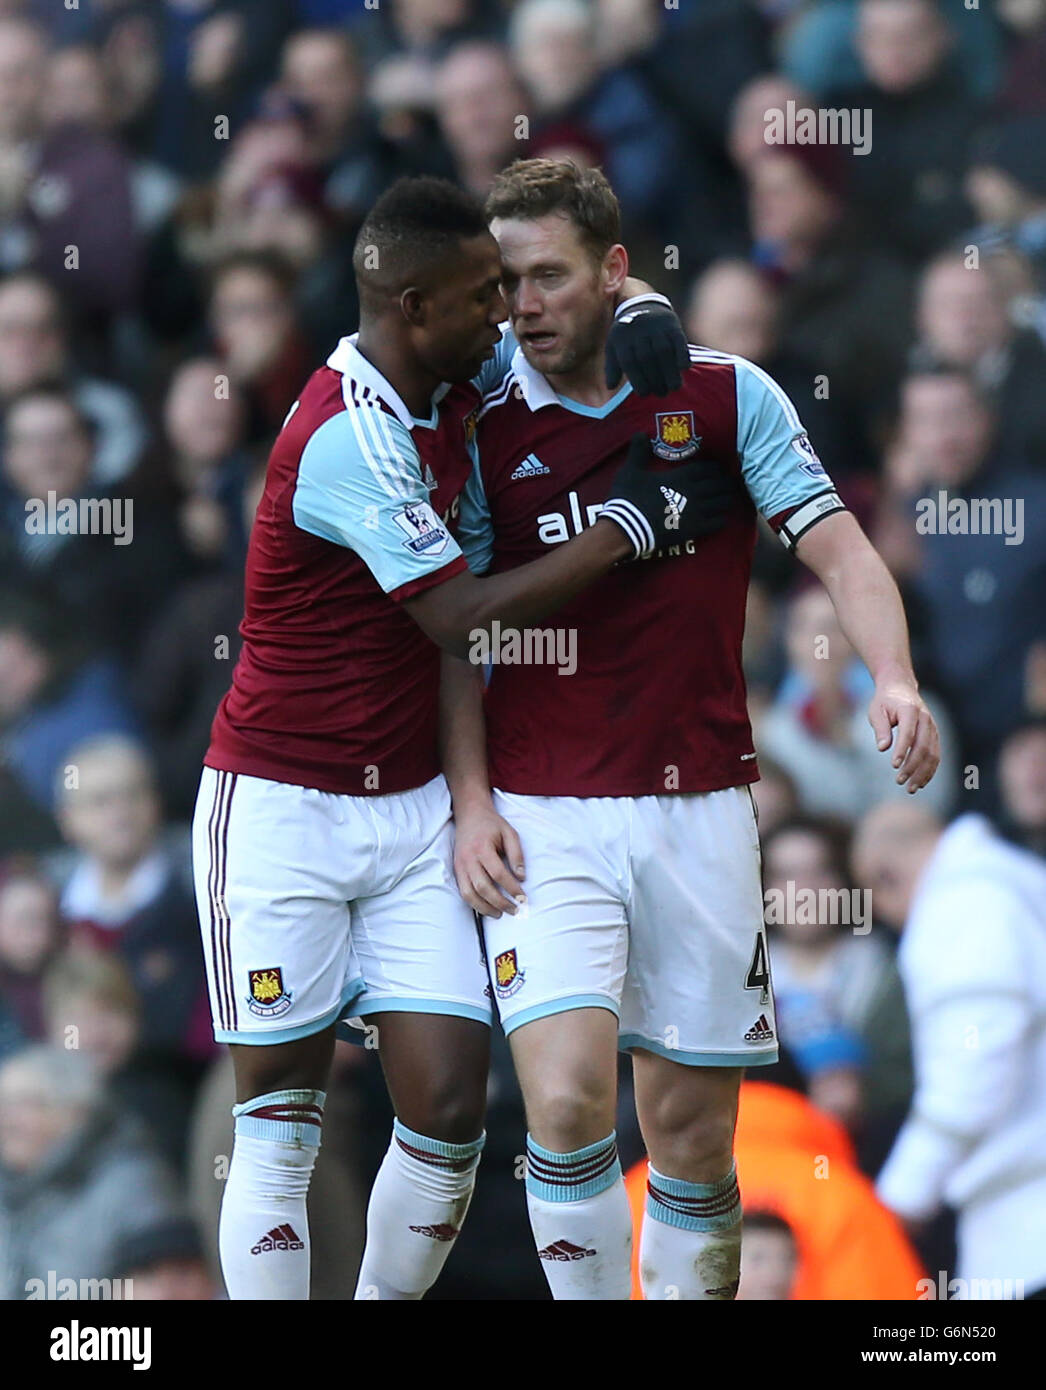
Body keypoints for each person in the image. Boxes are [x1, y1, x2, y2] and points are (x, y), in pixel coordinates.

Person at [192, 173, 733, 1302]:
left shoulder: (448, 370)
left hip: (413, 808)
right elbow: (462, 617)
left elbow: (575, 322)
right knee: (282, 1124)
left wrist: (645, 312)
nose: (504, 318)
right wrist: (628, 524)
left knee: (445, 1113)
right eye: (481, 296)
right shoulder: (346, 436)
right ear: (409, 307)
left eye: (507, 288)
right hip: (281, 801)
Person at [442, 158, 939, 1301]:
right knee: (564, 1099)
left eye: (550, 276)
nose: (523, 304)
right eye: (506, 279)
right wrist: (469, 803)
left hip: (700, 803)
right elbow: (452, 638)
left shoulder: (724, 396)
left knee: (692, 1138)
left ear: (613, 273)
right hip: (540, 806)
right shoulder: (471, 417)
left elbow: (840, 547)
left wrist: (893, 676)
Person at [854, 801, 1046, 1298]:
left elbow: (975, 1063)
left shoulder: (961, 902)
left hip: (1026, 1230)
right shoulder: (1018, 879)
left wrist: (902, 1197)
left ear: (886, 876)